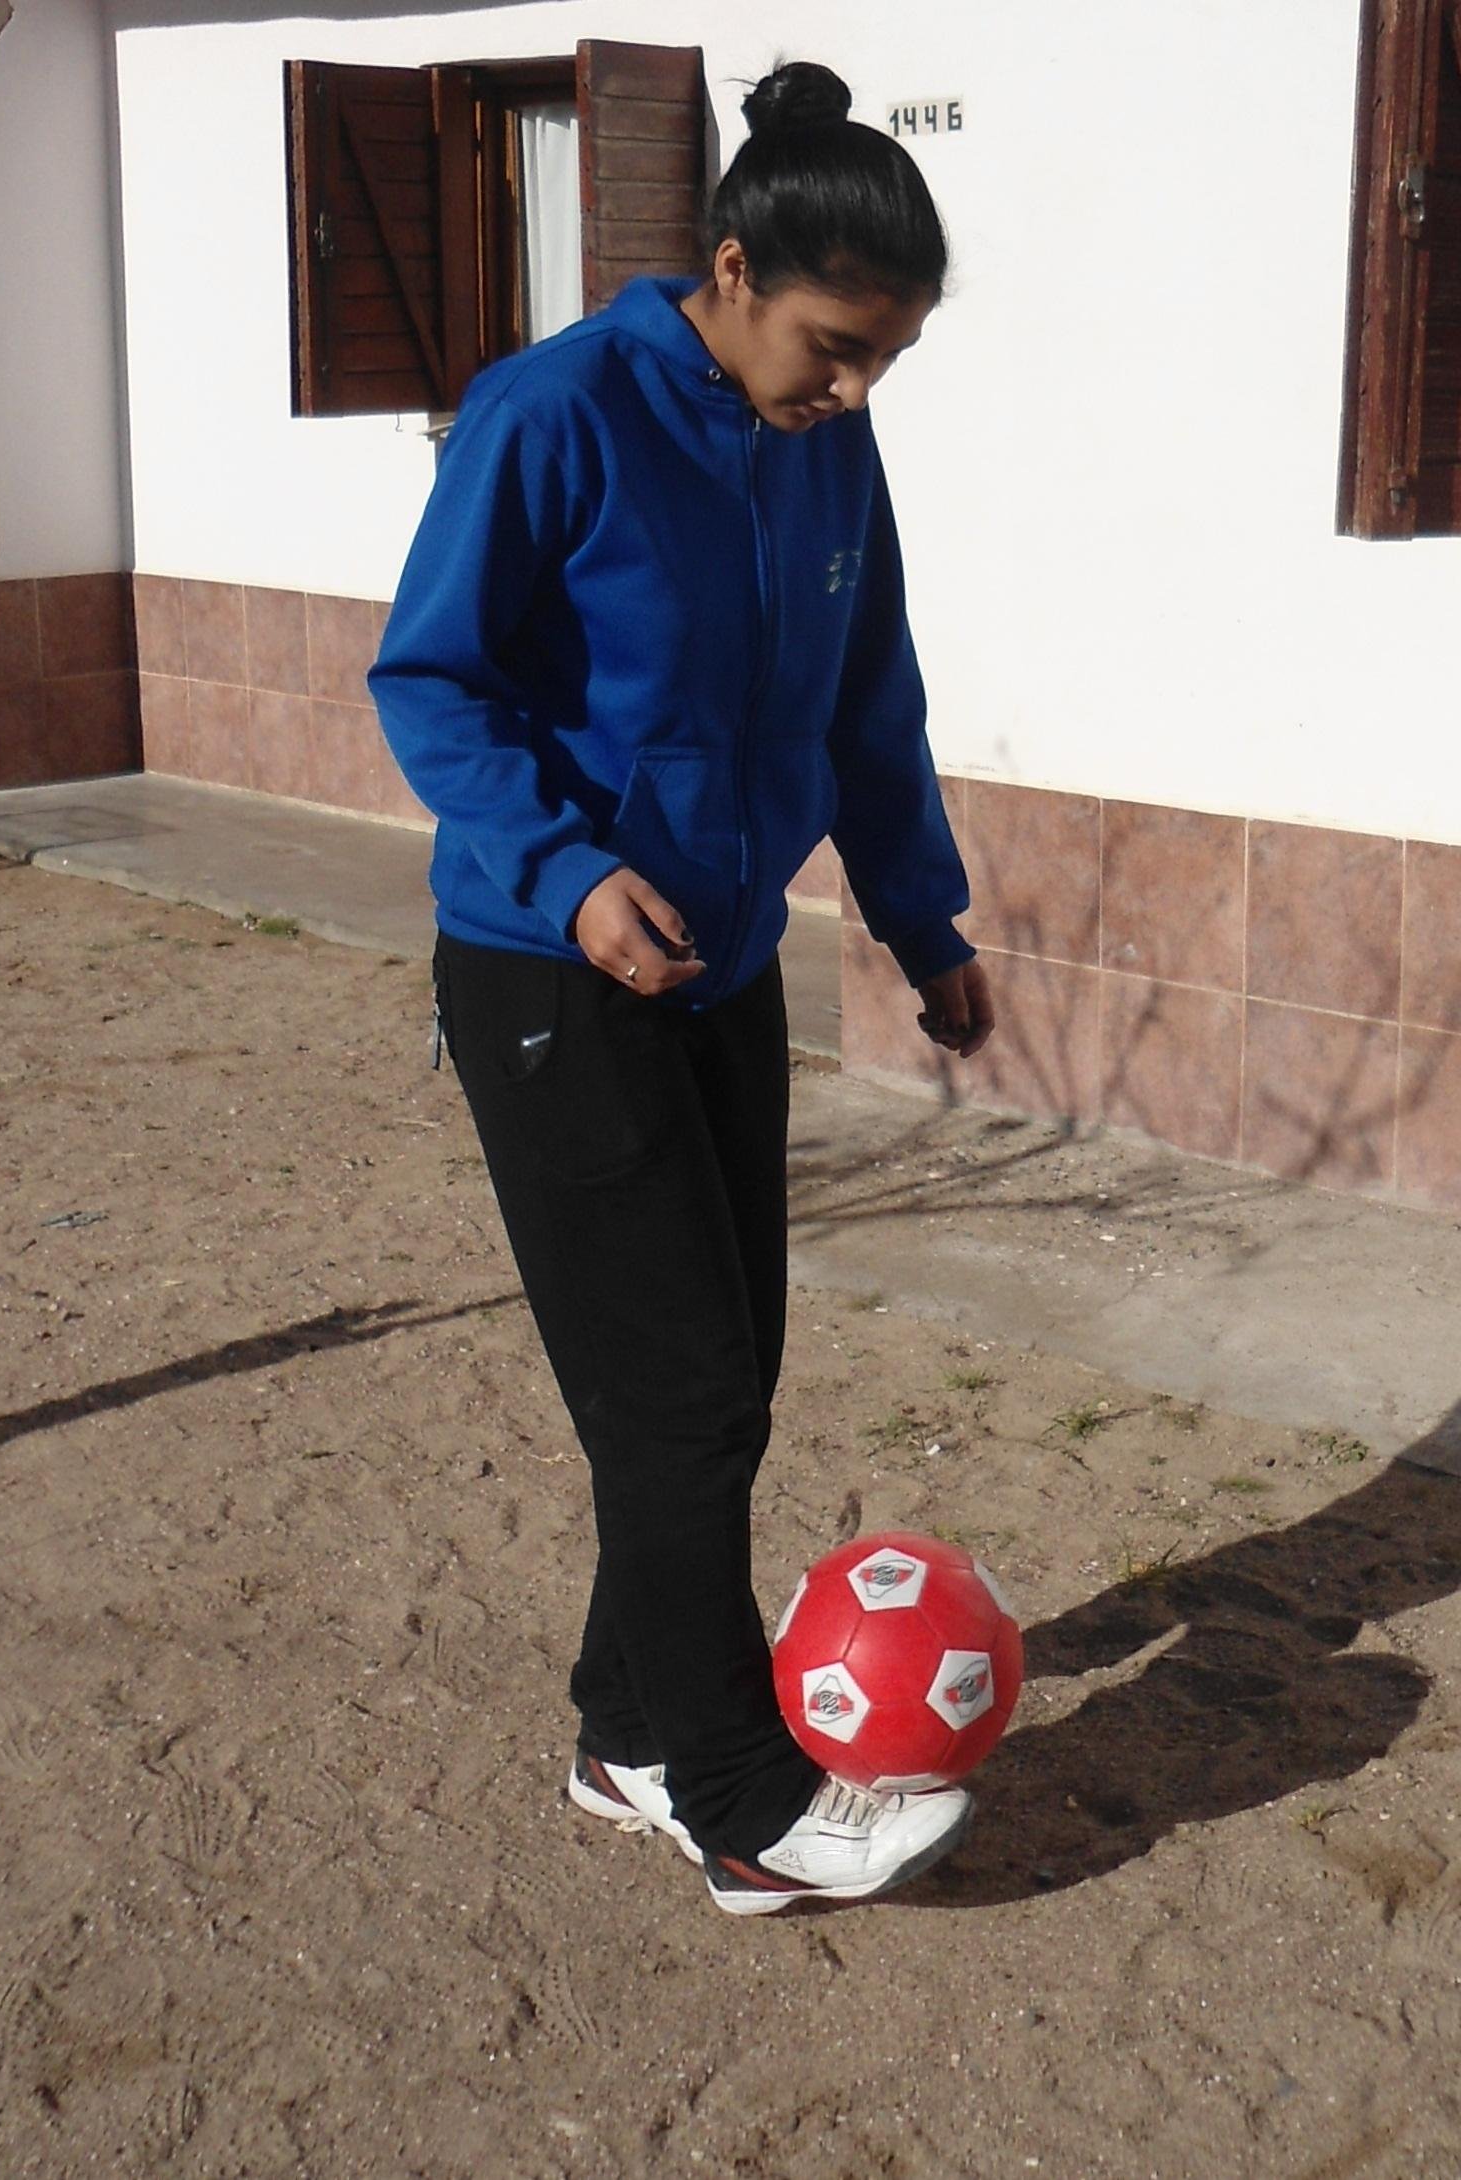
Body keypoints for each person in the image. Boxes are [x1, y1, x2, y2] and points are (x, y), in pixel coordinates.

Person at [369, 59, 994, 1914]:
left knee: (721, 1379)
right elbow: (435, 684)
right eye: (833, 344)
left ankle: (622, 1731)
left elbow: (869, 698)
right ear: (730, 268)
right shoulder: (549, 413)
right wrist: (566, 878)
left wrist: (922, 913)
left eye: (884, 359)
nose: (854, 389)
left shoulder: (825, 446)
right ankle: (738, 1797)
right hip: (551, 981)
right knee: (678, 1403)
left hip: (723, 971)